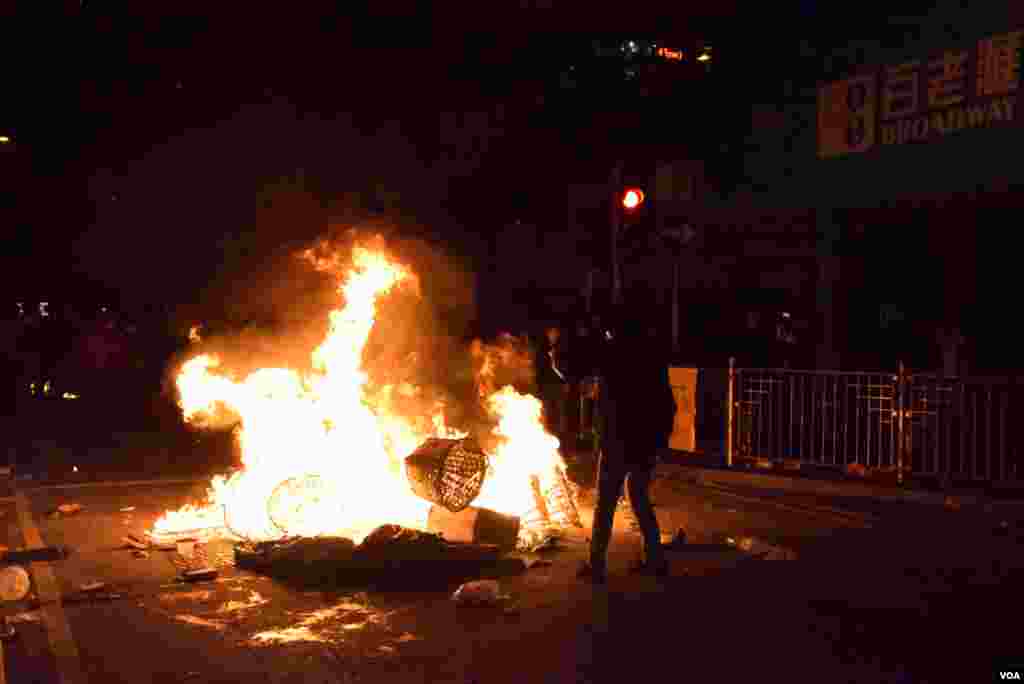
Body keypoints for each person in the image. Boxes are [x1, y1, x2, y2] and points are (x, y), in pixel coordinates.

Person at [578, 307, 676, 583]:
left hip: (618, 441)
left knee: (606, 503)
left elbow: (577, 366)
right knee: (639, 498)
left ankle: (596, 566)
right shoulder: (652, 358)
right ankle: (656, 559)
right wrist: (661, 440)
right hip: (644, 442)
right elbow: (667, 404)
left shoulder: (612, 354)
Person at [536, 325, 569, 439]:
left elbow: (562, 369)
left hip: (558, 385)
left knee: (560, 413)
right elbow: (540, 367)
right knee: (546, 411)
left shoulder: (561, 348)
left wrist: (565, 381)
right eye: (551, 333)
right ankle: (546, 434)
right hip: (546, 385)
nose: (553, 335)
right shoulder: (544, 348)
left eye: (555, 333)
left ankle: (560, 437)